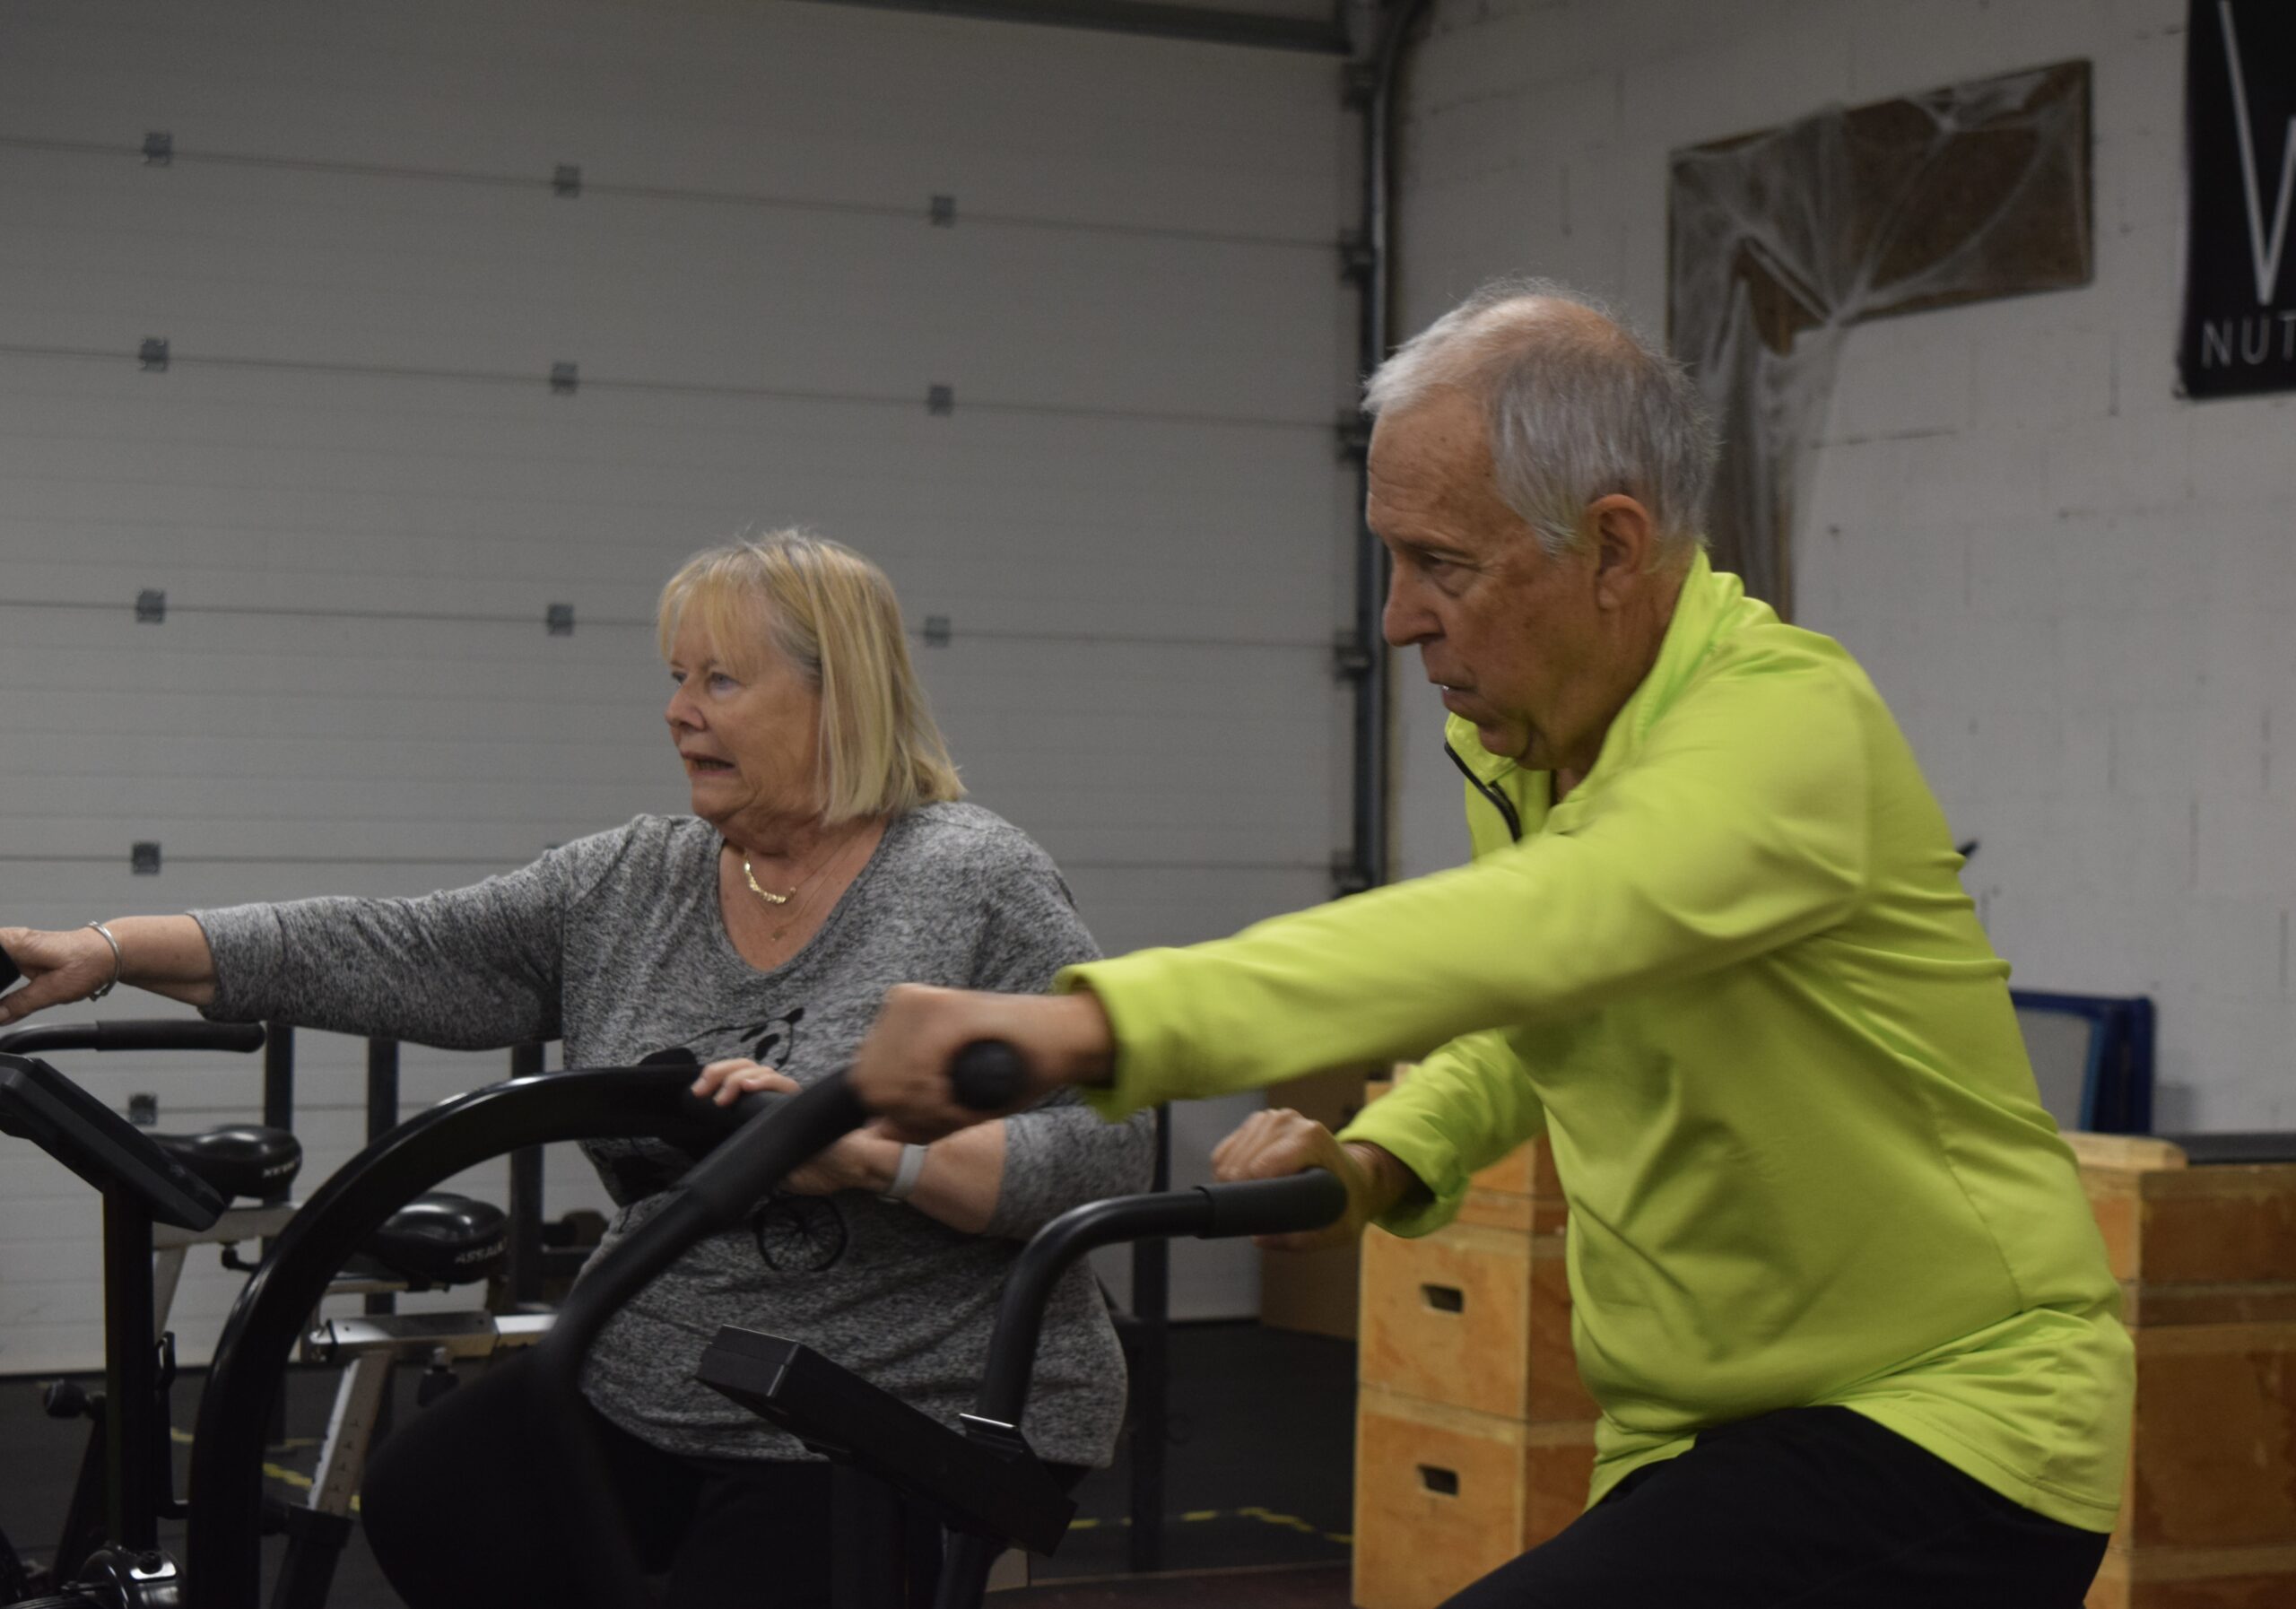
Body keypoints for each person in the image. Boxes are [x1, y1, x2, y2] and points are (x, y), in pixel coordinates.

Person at [838, 283, 2133, 1606]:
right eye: (1390, 559)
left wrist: (1098, 1023)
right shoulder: (1532, 744)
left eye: (1442, 564)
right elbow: (1546, 1009)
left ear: (1615, 548)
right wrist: (1387, 1154)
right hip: (1697, 1431)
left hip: (1946, 1417)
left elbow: (1546, 927)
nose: (1399, 618)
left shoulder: (1785, 729)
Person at [0, 532, 1151, 1609]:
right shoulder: (630, 884)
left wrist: (873, 1157)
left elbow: (1104, 1143)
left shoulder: (969, 879)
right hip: (651, 1376)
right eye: (676, 677)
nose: (676, 712)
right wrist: (106, 951)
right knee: (434, 1497)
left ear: (834, 696)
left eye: (719, 683)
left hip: (899, 1405)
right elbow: (387, 943)